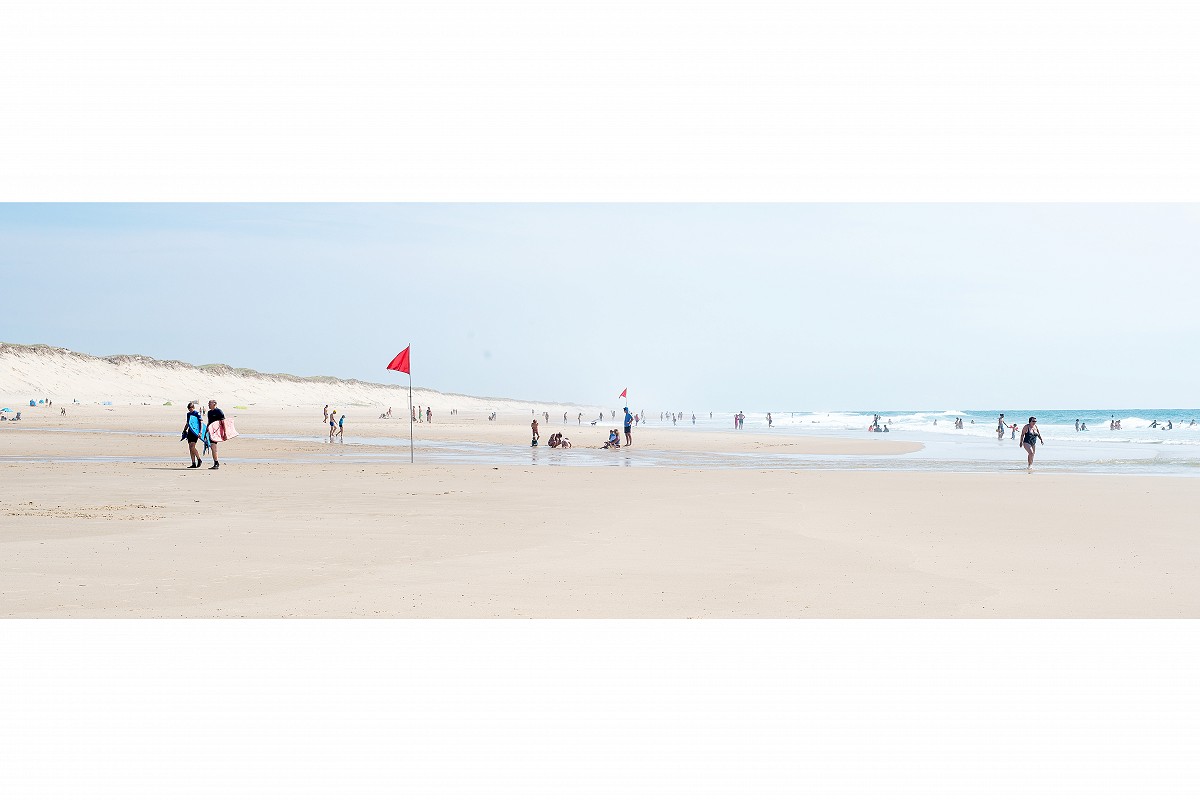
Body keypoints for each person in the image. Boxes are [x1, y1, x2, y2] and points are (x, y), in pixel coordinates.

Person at [181, 402, 206, 468]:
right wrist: (184, 430)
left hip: (195, 432)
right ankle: (193, 463)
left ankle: (199, 459)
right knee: (190, 448)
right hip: (190, 431)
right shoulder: (188, 414)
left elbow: (200, 422)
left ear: (193, 408)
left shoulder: (196, 413)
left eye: (191, 409)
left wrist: (200, 432)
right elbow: (188, 423)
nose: (190, 410)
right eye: (189, 409)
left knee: (192, 446)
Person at [206, 400, 225, 469]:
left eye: (209, 403)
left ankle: (216, 463)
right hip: (211, 432)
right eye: (208, 403)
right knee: (212, 447)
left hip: (217, 432)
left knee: (213, 447)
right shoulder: (209, 412)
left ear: (214, 404)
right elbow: (209, 422)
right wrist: (206, 431)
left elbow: (223, 422)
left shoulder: (219, 411)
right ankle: (216, 462)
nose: (208, 405)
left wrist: (224, 433)